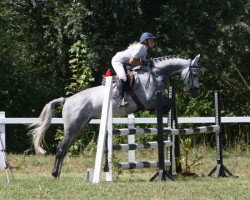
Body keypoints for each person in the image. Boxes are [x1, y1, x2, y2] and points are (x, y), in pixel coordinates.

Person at [111, 32, 155, 107]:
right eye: (151, 40)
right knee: (124, 78)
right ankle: (120, 100)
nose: (153, 41)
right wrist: (143, 63)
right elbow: (132, 61)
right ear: (145, 41)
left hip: (126, 63)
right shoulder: (141, 47)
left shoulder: (144, 49)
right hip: (118, 61)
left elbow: (140, 63)